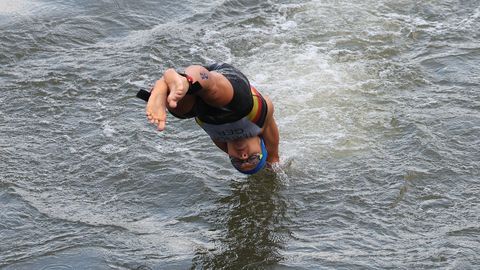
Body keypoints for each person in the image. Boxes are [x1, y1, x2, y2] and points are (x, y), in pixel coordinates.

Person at [141, 63, 279, 174]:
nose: (243, 157)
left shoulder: (220, 140)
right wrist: (272, 161)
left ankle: (164, 88)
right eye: (253, 158)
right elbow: (273, 155)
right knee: (215, 93)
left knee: (181, 110)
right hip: (229, 87)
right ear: (262, 146)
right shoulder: (260, 124)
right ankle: (182, 80)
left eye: (238, 162)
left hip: (203, 108)